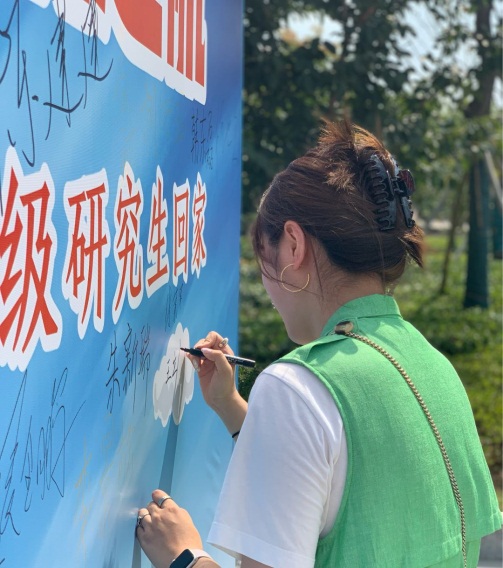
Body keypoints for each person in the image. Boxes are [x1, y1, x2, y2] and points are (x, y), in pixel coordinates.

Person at [136, 120, 501, 568]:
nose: (266, 282)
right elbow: (333, 474)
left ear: (293, 246)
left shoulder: (294, 389)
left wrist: (183, 555)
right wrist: (231, 405)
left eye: (263, 256)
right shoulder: (436, 368)